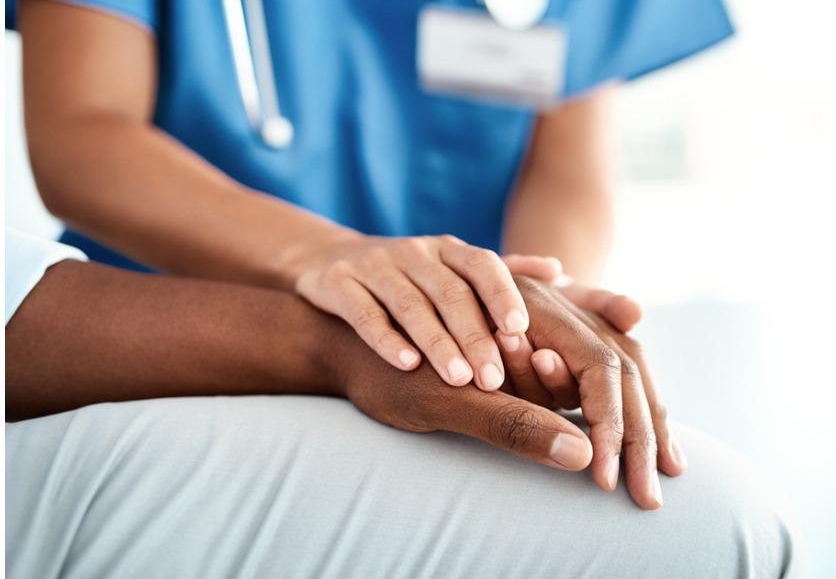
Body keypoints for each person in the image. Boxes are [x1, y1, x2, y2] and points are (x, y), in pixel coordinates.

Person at [5, 0, 731, 394]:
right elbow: (83, 137)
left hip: (452, 370)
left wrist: (520, 319)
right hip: (172, 353)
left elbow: (568, 164)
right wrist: (341, 264)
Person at [6, 229, 792, 577]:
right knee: (712, 527)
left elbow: (574, 136)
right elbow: (85, 132)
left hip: (415, 321)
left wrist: (509, 321)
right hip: (168, 330)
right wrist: (338, 330)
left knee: (698, 516)